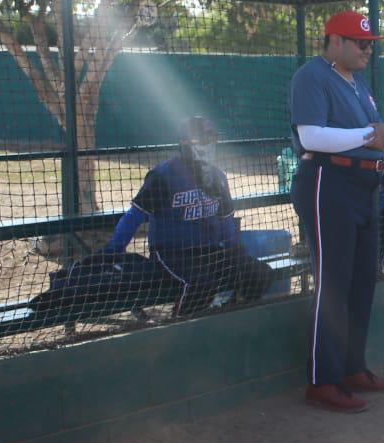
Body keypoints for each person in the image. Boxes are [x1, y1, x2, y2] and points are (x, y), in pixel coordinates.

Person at [289, 10, 384, 414]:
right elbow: (312, 135)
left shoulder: (358, 82)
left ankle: (352, 368)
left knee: (362, 281)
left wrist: (382, 134)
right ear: (335, 41)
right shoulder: (311, 76)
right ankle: (323, 380)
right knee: (333, 284)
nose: (368, 49)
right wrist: (373, 136)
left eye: (369, 43)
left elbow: (382, 131)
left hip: (363, 185)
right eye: (360, 42)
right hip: (326, 183)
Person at [104, 115, 270, 315]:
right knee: (202, 284)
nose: (209, 144)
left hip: (208, 250)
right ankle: (180, 323)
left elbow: (226, 220)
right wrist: (113, 251)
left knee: (259, 273)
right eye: (203, 139)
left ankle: (231, 315)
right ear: (184, 142)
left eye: (212, 139)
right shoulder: (164, 175)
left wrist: (234, 250)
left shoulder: (217, 177)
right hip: (172, 253)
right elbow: (134, 217)